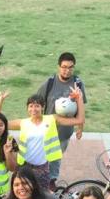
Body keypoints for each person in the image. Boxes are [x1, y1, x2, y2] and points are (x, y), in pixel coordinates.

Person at [0, 90, 84, 191]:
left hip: (42, 168)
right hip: (24, 166)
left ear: (42, 107)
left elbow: (79, 120)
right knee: (22, 194)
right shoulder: (23, 123)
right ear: (27, 108)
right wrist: (0, 100)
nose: (34, 109)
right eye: (31, 106)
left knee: (41, 196)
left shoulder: (52, 119)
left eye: (37, 106)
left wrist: (79, 99)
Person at [35, 52, 87, 182]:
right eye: (64, 67)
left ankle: (52, 185)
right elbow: (36, 105)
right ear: (59, 67)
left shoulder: (78, 84)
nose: (67, 70)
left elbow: (81, 108)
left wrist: (80, 128)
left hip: (64, 133)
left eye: (70, 67)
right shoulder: (49, 83)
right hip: (45, 132)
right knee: (40, 161)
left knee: (54, 162)